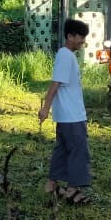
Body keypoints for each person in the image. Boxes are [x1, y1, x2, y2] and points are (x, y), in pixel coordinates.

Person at [38, 19, 92, 205]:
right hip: (72, 116)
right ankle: (72, 190)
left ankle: (51, 184)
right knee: (79, 151)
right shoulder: (65, 56)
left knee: (62, 149)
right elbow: (55, 84)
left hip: (67, 116)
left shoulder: (67, 56)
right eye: (80, 37)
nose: (82, 41)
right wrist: (45, 107)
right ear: (70, 36)